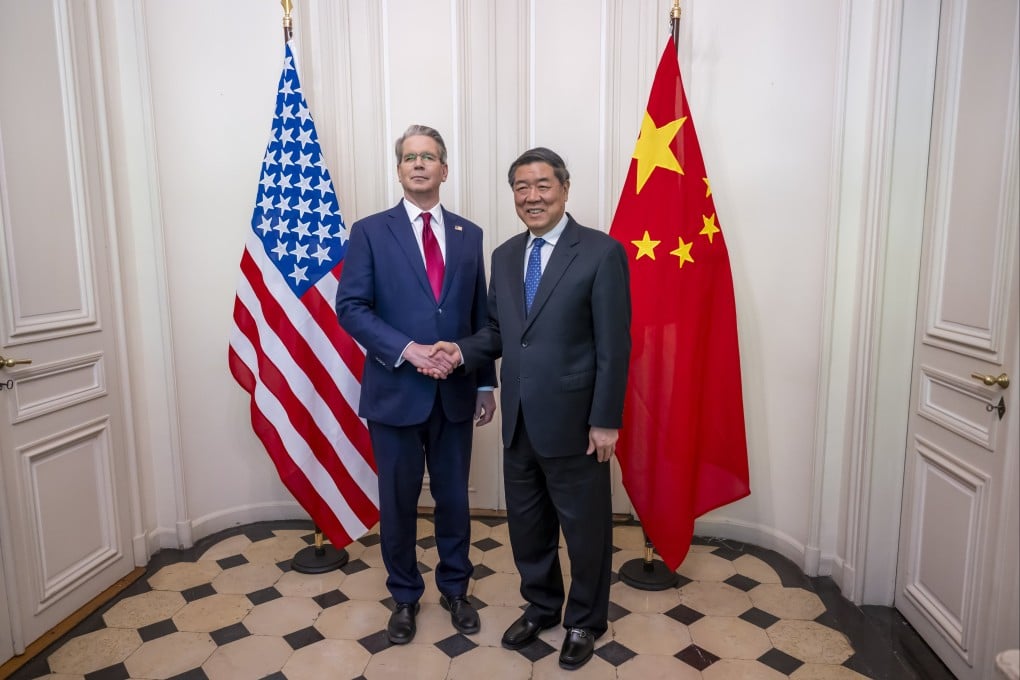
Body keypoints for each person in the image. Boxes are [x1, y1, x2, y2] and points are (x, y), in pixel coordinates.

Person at [426, 147, 631, 670]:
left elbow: (614, 345)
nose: (531, 196)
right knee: (528, 527)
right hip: (518, 423)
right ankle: (542, 605)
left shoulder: (601, 253)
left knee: (585, 532)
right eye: (521, 187)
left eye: (542, 185)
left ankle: (585, 619)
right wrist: (460, 350)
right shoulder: (507, 255)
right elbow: (499, 333)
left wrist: (606, 419)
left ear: (564, 188)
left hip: (577, 424)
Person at [335, 124, 497, 645]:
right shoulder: (369, 231)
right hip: (394, 392)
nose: (420, 164)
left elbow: (481, 318)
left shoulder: (469, 234)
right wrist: (409, 350)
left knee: (453, 498)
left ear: (444, 170)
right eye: (410, 158)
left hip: (454, 392)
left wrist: (484, 385)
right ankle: (404, 596)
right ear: (399, 170)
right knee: (399, 501)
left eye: (429, 157)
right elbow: (351, 308)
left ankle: (455, 589)